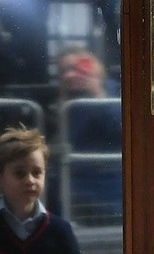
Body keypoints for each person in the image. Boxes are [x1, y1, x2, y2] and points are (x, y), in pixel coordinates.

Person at [50, 46, 122, 223]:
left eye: (76, 68)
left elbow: (121, 129)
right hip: (73, 185)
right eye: (64, 71)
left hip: (104, 189)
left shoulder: (115, 92)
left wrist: (98, 93)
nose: (69, 75)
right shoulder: (71, 99)